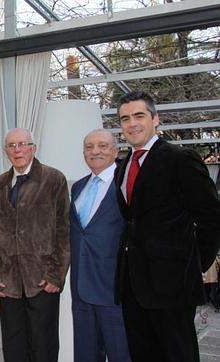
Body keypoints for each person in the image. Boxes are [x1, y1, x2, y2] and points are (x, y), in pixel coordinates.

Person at [114, 91, 220, 362]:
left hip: (172, 286)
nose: (132, 123)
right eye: (125, 118)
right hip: (134, 285)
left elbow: (211, 217)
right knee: (142, 354)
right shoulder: (123, 165)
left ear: (155, 119)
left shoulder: (180, 159)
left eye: (139, 116)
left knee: (177, 354)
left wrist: (194, 264)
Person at [0, 128, 70, 362]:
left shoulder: (53, 180)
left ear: (33, 147)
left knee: (43, 347)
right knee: (14, 348)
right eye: (12, 146)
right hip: (8, 284)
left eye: (22, 144)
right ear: (6, 151)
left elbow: (64, 231)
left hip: (42, 282)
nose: (17, 150)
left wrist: (55, 275)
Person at [70, 129, 130, 362]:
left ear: (115, 151)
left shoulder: (125, 185)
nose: (95, 151)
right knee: (85, 354)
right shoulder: (78, 187)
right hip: (81, 290)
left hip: (114, 290)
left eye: (103, 146)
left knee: (120, 353)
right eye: (89, 147)